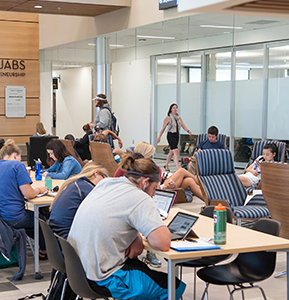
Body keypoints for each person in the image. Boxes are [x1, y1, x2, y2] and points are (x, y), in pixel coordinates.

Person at [68, 155, 186, 300]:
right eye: (155, 188)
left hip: (78, 271)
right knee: (173, 286)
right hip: (103, 277)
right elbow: (163, 243)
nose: (154, 194)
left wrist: (135, 233)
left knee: (143, 269)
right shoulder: (141, 198)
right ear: (145, 182)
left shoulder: (106, 183)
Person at [0, 139, 49, 258]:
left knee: (32, 220)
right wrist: (40, 190)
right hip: (13, 217)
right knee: (39, 219)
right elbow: (29, 194)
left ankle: (42, 247)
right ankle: (44, 251)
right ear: (16, 155)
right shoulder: (17, 165)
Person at [48, 162, 108, 239]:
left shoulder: (76, 184)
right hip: (68, 239)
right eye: (104, 178)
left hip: (57, 237)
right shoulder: (87, 188)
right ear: (96, 173)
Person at [156, 103, 191, 171]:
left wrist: (188, 130)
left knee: (171, 152)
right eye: (173, 108)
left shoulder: (179, 117)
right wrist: (159, 137)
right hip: (170, 135)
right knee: (176, 151)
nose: (175, 109)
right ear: (171, 109)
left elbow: (183, 126)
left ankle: (166, 165)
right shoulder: (168, 118)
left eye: (176, 108)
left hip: (176, 135)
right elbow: (163, 128)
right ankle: (178, 168)